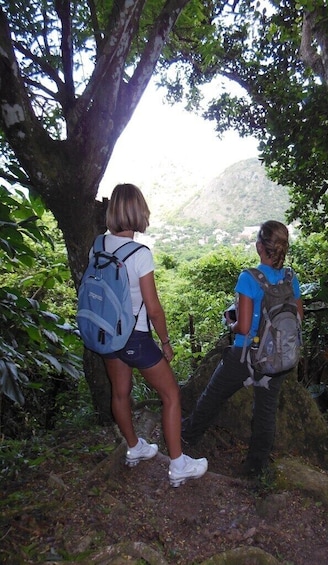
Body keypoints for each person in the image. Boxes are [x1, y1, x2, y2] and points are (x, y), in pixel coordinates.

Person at [98, 183, 208, 487]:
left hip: (106, 334)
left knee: (120, 393)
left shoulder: (99, 245)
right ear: (138, 212)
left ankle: (134, 448)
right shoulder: (139, 253)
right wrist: (166, 341)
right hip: (134, 337)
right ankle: (178, 464)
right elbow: (154, 307)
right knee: (171, 395)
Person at [182, 220, 303, 476]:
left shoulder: (249, 278)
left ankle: (186, 437)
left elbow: (244, 326)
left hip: (244, 354)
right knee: (265, 412)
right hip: (278, 358)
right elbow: (298, 319)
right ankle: (255, 469)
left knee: (213, 395)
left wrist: (230, 321)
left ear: (260, 246)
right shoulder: (292, 278)